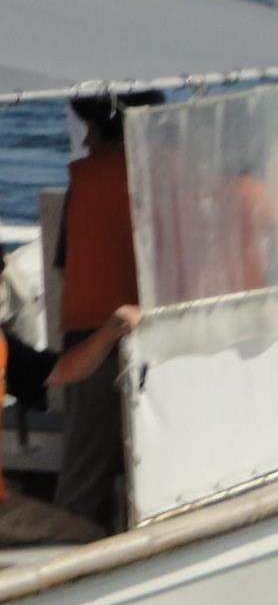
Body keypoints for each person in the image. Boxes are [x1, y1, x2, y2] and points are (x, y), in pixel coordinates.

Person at [53, 90, 162, 531]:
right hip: (163, 338)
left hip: (90, 341)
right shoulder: (172, 173)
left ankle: (69, 558)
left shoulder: (85, 182)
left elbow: (64, 267)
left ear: (98, 129)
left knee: (83, 479)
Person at [0, 304, 141, 545]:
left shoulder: (5, 347)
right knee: (90, 540)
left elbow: (63, 370)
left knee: (90, 537)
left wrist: (109, 333)